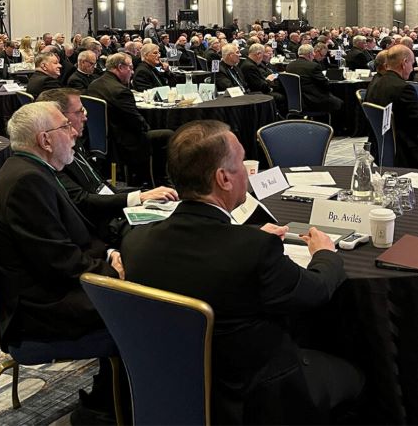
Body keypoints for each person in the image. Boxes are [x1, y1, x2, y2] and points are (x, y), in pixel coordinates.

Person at [119, 120, 363, 424]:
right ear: (223, 178)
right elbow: (315, 291)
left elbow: (205, 255)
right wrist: (325, 254)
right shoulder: (253, 249)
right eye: (242, 164)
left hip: (172, 384)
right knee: (358, 371)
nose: (249, 175)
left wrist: (247, 238)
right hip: (255, 391)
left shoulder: (136, 242)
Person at [0, 101, 125, 422]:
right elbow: (59, 262)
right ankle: (106, 408)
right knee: (145, 311)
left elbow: (71, 242)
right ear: (45, 140)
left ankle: (113, 398)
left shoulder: (33, 171)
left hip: (51, 289)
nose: (75, 133)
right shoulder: (26, 182)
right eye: (66, 126)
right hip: (41, 310)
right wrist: (110, 271)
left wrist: (108, 255)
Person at [37, 89, 177, 230]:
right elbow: (81, 201)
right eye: (79, 112)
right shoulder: (52, 158)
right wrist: (138, 198)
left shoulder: (75, 142)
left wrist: (142, 194)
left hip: (110, 202)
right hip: (104, 223)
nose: (85, 117)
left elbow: (99, 185)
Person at [87, 53, 172, 186]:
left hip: (101, 139)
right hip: (123, 143)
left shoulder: (94, 84)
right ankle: (158, 179)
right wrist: (148, 126)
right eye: (130, 68)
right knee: (167, 135)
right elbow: (137, 124)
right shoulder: (120, 91)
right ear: (120, 67)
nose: (132, 72)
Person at [284, 44, 342, 114]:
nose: (314, 55)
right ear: (309, 54)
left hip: (295, 101)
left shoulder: (289, 66)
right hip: (312, 101)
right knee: (339, 102)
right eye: (313, 54)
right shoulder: (313, 66)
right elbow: (325, 85)